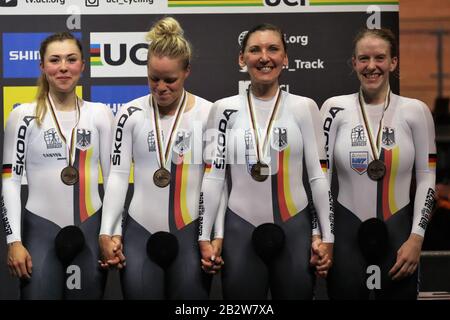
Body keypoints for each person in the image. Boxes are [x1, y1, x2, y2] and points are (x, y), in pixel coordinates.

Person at [198, 23, 334, 300]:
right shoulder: (222, 110)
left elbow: (318, 177)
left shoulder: (305, 107)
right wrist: (206, 235)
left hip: (294, 228)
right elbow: (214, 178)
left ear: (285, 59)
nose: (264, 57)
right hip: (239, 230)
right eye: (255, 50)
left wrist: (326, 236)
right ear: (241, 58)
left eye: (273, 49)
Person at [98, 16, 226, 300]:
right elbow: (118, 176)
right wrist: (108, 232)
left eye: (170, 80)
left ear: (187, 71)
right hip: (140, 234)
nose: (161, 87)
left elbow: (217, 181)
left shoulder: (209, 114)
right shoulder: (129, 114)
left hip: (192, 234)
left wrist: (216, 236)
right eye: (153, 79)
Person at [321, 28, 436, 299]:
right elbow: (320, 180)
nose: (371, 66)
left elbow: (427, 179)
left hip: (399, 235)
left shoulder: (416, 111)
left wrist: (416, 238)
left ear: (393, 62)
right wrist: (324, 236)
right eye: (363, 59)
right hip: (345, 235)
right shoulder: (334, 108)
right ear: (354, 63)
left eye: (380, 58)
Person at [1, 32, 113, 299]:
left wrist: (111, 233)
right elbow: (10, 181)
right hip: (39, 231)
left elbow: (114, 181)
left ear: (83, 65)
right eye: (55, 60)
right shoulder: (22, 116)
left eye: (71, 59)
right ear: (42, 66)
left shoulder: (100, 114)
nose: (63, 67)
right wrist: (14, 241)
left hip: (90, 229)